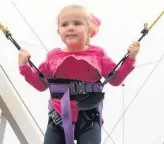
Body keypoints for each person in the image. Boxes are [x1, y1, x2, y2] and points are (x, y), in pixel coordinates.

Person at [18, 4, 140, 144]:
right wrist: (24, 67)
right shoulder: (53, 56)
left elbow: (115, 79)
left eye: (77, 23)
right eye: (64, 24)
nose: (70, 27)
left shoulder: (97, 54)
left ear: (90, 30)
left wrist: (130, 58)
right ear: (59, 31)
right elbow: (41, 84)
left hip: (88, 118)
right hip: (58, 120)